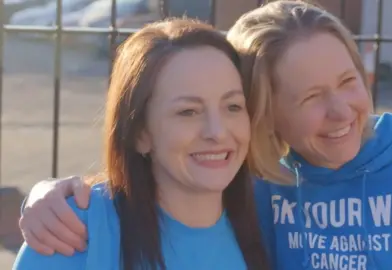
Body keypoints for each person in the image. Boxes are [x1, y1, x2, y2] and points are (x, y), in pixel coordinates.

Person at [17, 1, 392, 270]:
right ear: (266, 115)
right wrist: (47, 196)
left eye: (348, 81)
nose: (341, 110)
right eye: (309, 96)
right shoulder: (256, 197)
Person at [13, 18, 271, 270]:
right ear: (139, 134)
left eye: (233, 107)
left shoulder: (273, 223)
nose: (217, 131)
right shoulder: (72, 232)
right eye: (188, 112)